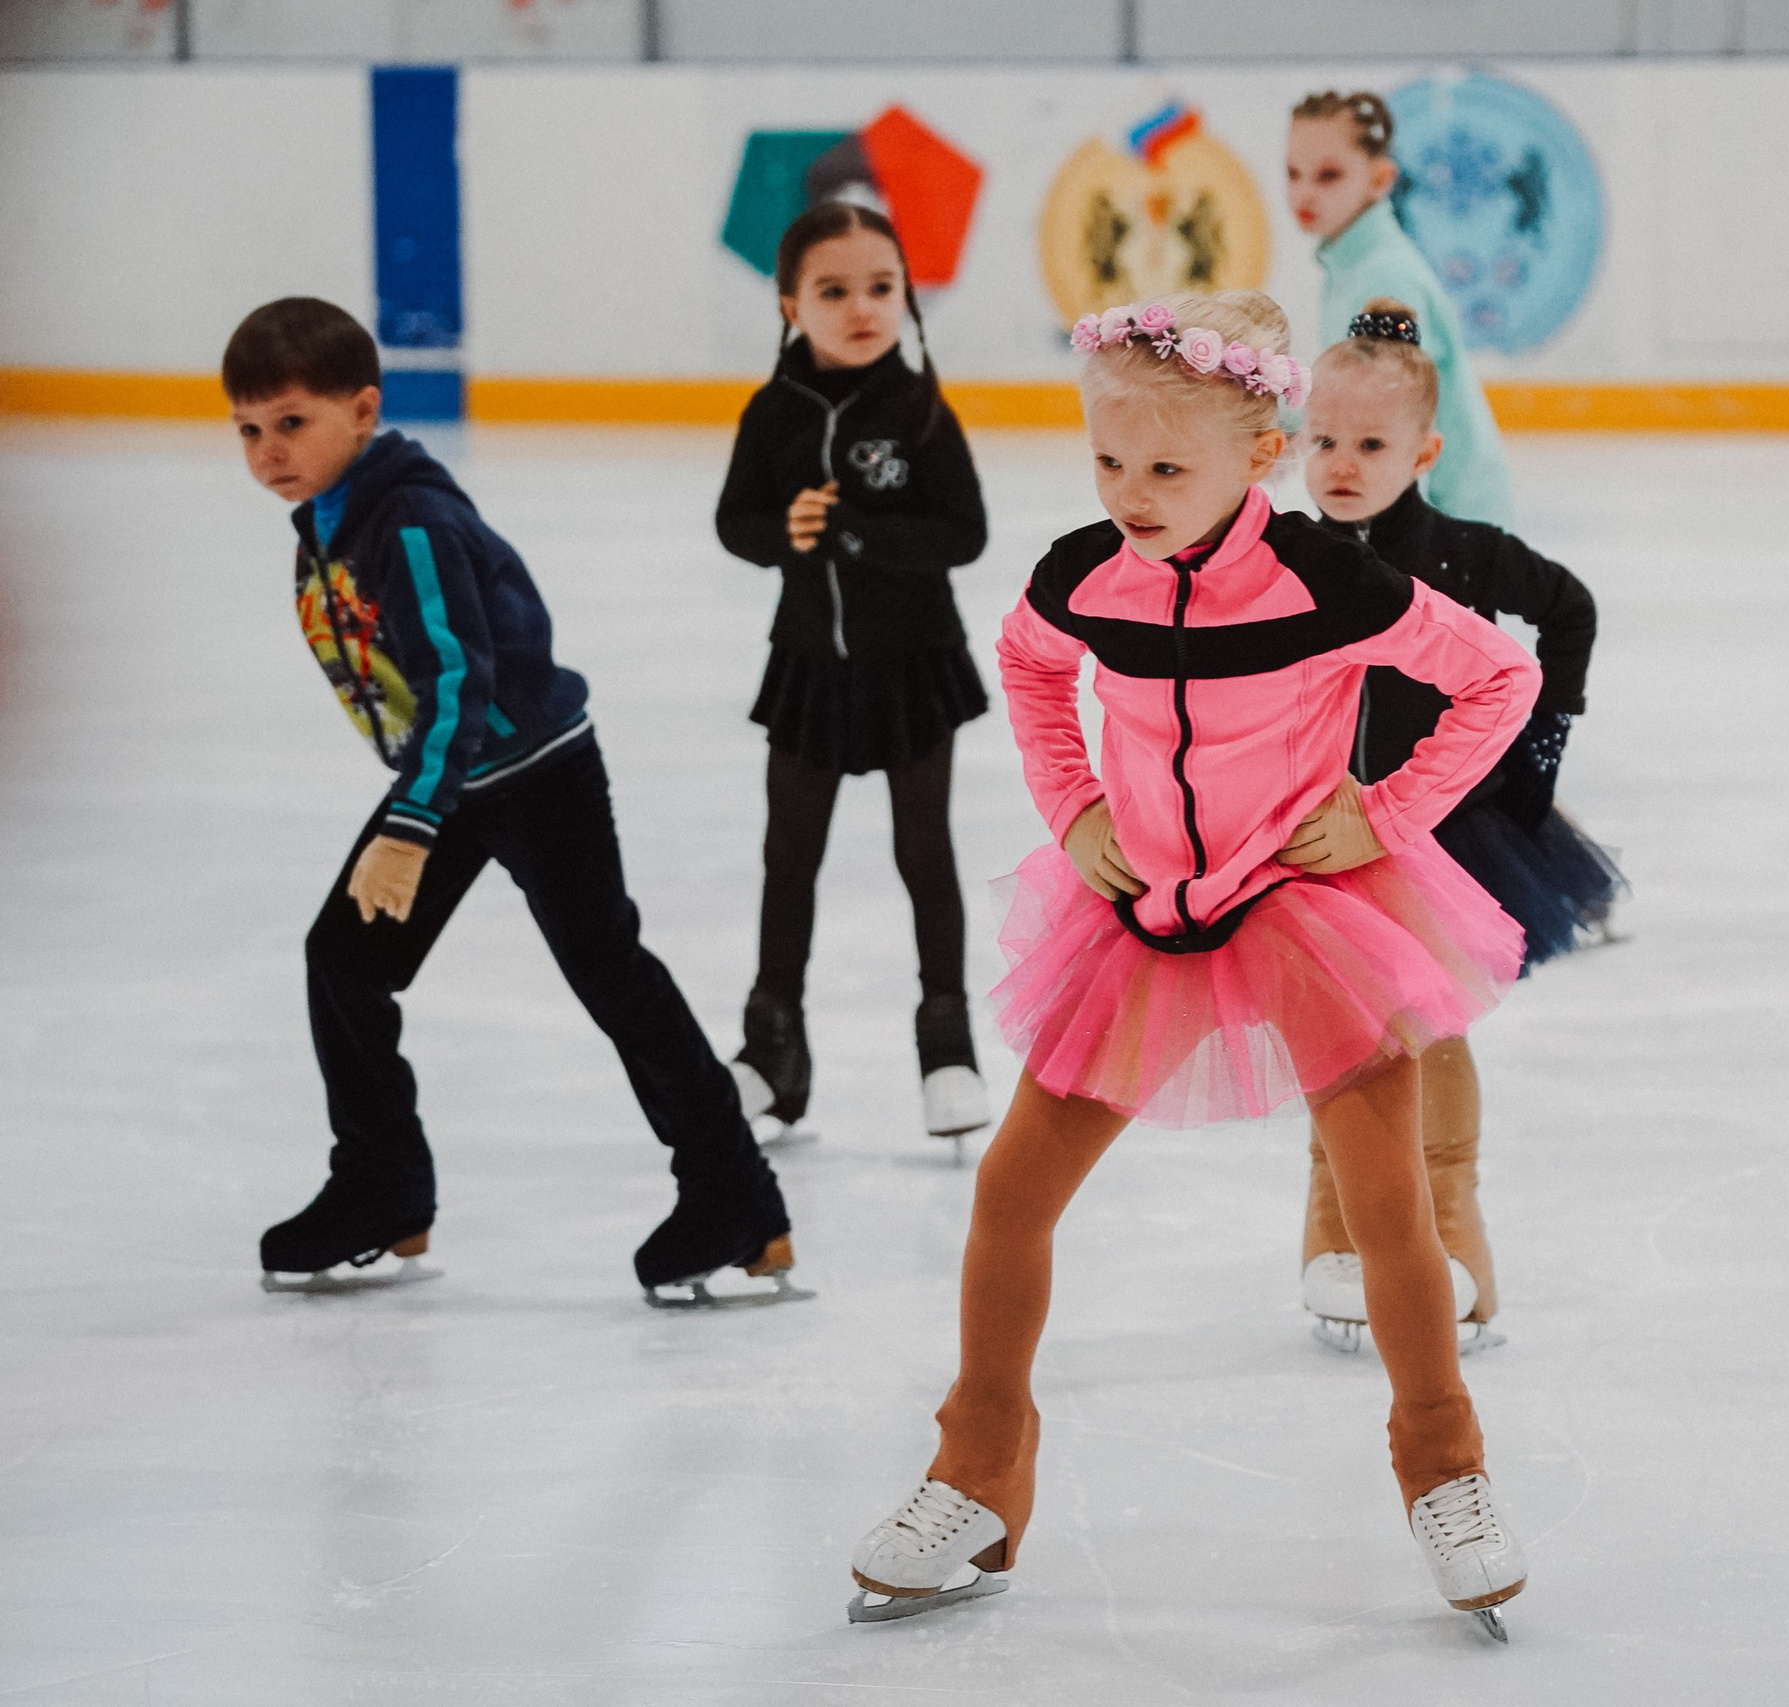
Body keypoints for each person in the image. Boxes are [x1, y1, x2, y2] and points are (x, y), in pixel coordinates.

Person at [844, 291, 1538, 1638]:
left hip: (1302, 910)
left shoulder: (1328, 580)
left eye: (1166, 468)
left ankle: (1444, 1462)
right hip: (1139, 916)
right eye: (1110, 462)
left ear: (1258, 457)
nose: (1133, 493)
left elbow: (1494, 680)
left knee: (1387, 1207)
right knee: (1011, 1193)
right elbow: (1034, 668)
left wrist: (1386, 811)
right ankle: (978, 1468)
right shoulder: (1077, 573)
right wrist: (1075, 809)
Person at [226, 297, 796, 1306]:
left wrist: (411, 823)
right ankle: (381, 1186)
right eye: (249, 430)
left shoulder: (406, 522)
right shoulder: (334, 515)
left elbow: (459, 680)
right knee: (346, 963)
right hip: (453, 778)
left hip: (532, 775)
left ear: (361, 410)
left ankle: (733, 1195)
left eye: (291, 423)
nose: (269, 450)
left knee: (609, 973)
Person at [1295, 302, 1622, 1352]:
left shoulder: (1466, 556)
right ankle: (1333, 1236)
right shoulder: (1283, 555)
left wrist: (1534, 757)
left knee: (1428, 1031)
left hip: (1435, 839)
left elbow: (1567, 609)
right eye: (1324, 441)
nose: (1341, 464)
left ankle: (1451, 1234)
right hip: (1313, 840)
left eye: (1371, 445)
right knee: (1334, 1041)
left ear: (1426, 451)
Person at [715, 202, 993, 1146]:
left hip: (913, 667)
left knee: (925, 855)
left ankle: (948, 1048)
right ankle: (772, 1053)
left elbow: (965, 532)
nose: (862, 307)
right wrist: (782, 535)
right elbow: (735, 523)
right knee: (788, 859)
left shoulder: (918, 410)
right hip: (808, 668)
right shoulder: (772, 412)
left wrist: (858, 532)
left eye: (881, 287)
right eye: (834, 291)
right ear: (792, 304)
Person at [1285, 89, 1514, 529]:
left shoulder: (1383, 276)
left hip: (1449, 520)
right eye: (1293, 173)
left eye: (1328, 175)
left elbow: (1397, 412)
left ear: (1379, 179)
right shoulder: (1348, 262)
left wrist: (1403, 550)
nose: (1303, 193)